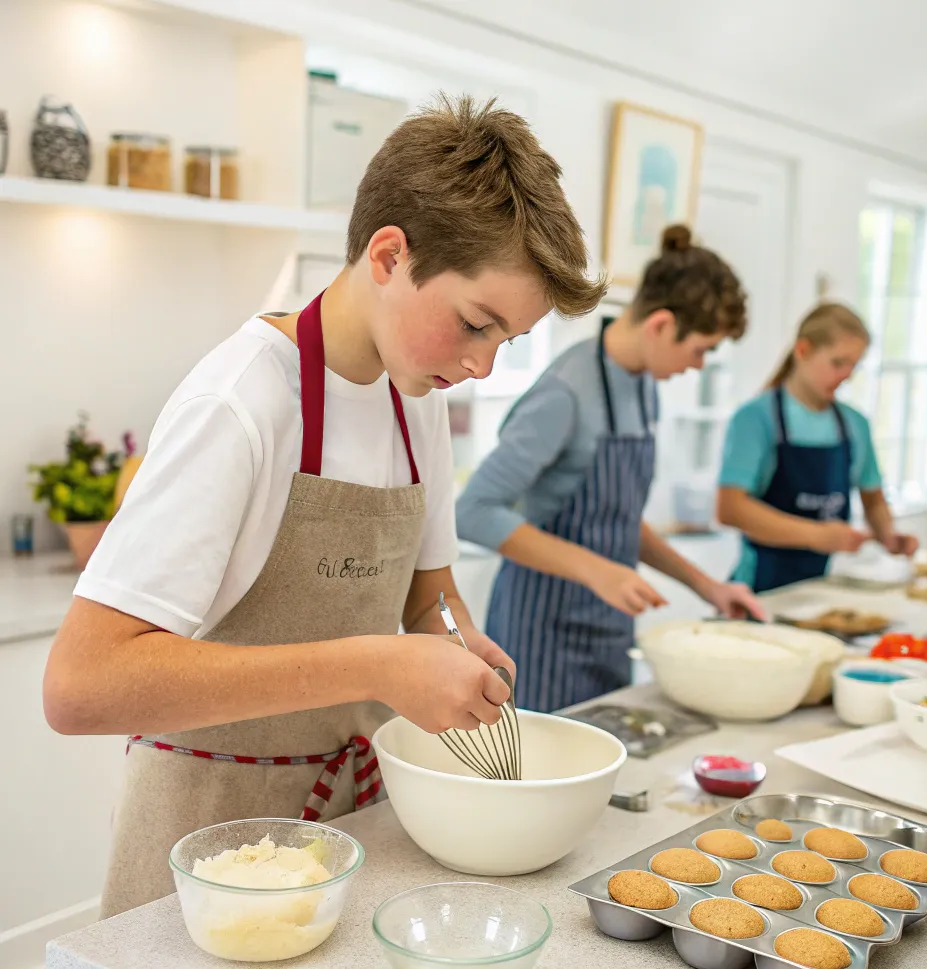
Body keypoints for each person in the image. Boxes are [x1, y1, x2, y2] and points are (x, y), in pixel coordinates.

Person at [42, 95, 606, 917]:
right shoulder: (239, 405)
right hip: (204, 857)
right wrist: (379, 664)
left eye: (506, 342)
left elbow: (427, 594)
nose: (483, 364)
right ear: (388, 255)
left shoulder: (418, 397)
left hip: (357, 832)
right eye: (475, 324)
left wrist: (453, 639)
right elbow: (80, 686)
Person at [456, 225, 765, 714]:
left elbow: (616, 517)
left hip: (609, 631)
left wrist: (707, 586)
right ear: (661, 325)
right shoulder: (566, 393)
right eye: (701, 349)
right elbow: (472, 512)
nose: (700, 364)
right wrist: (596, 570)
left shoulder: (642, 385)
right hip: (541, 635)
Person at [717, 302, 918, 593]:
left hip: (822, 586)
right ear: (803, 351)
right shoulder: (756, 418)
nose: (847, 375)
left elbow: (873, 499)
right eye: (838, 363)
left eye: (854, 365)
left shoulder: (855, 424)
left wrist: (888, 535)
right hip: (760, 587)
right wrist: (815, 535)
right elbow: (730, 509)